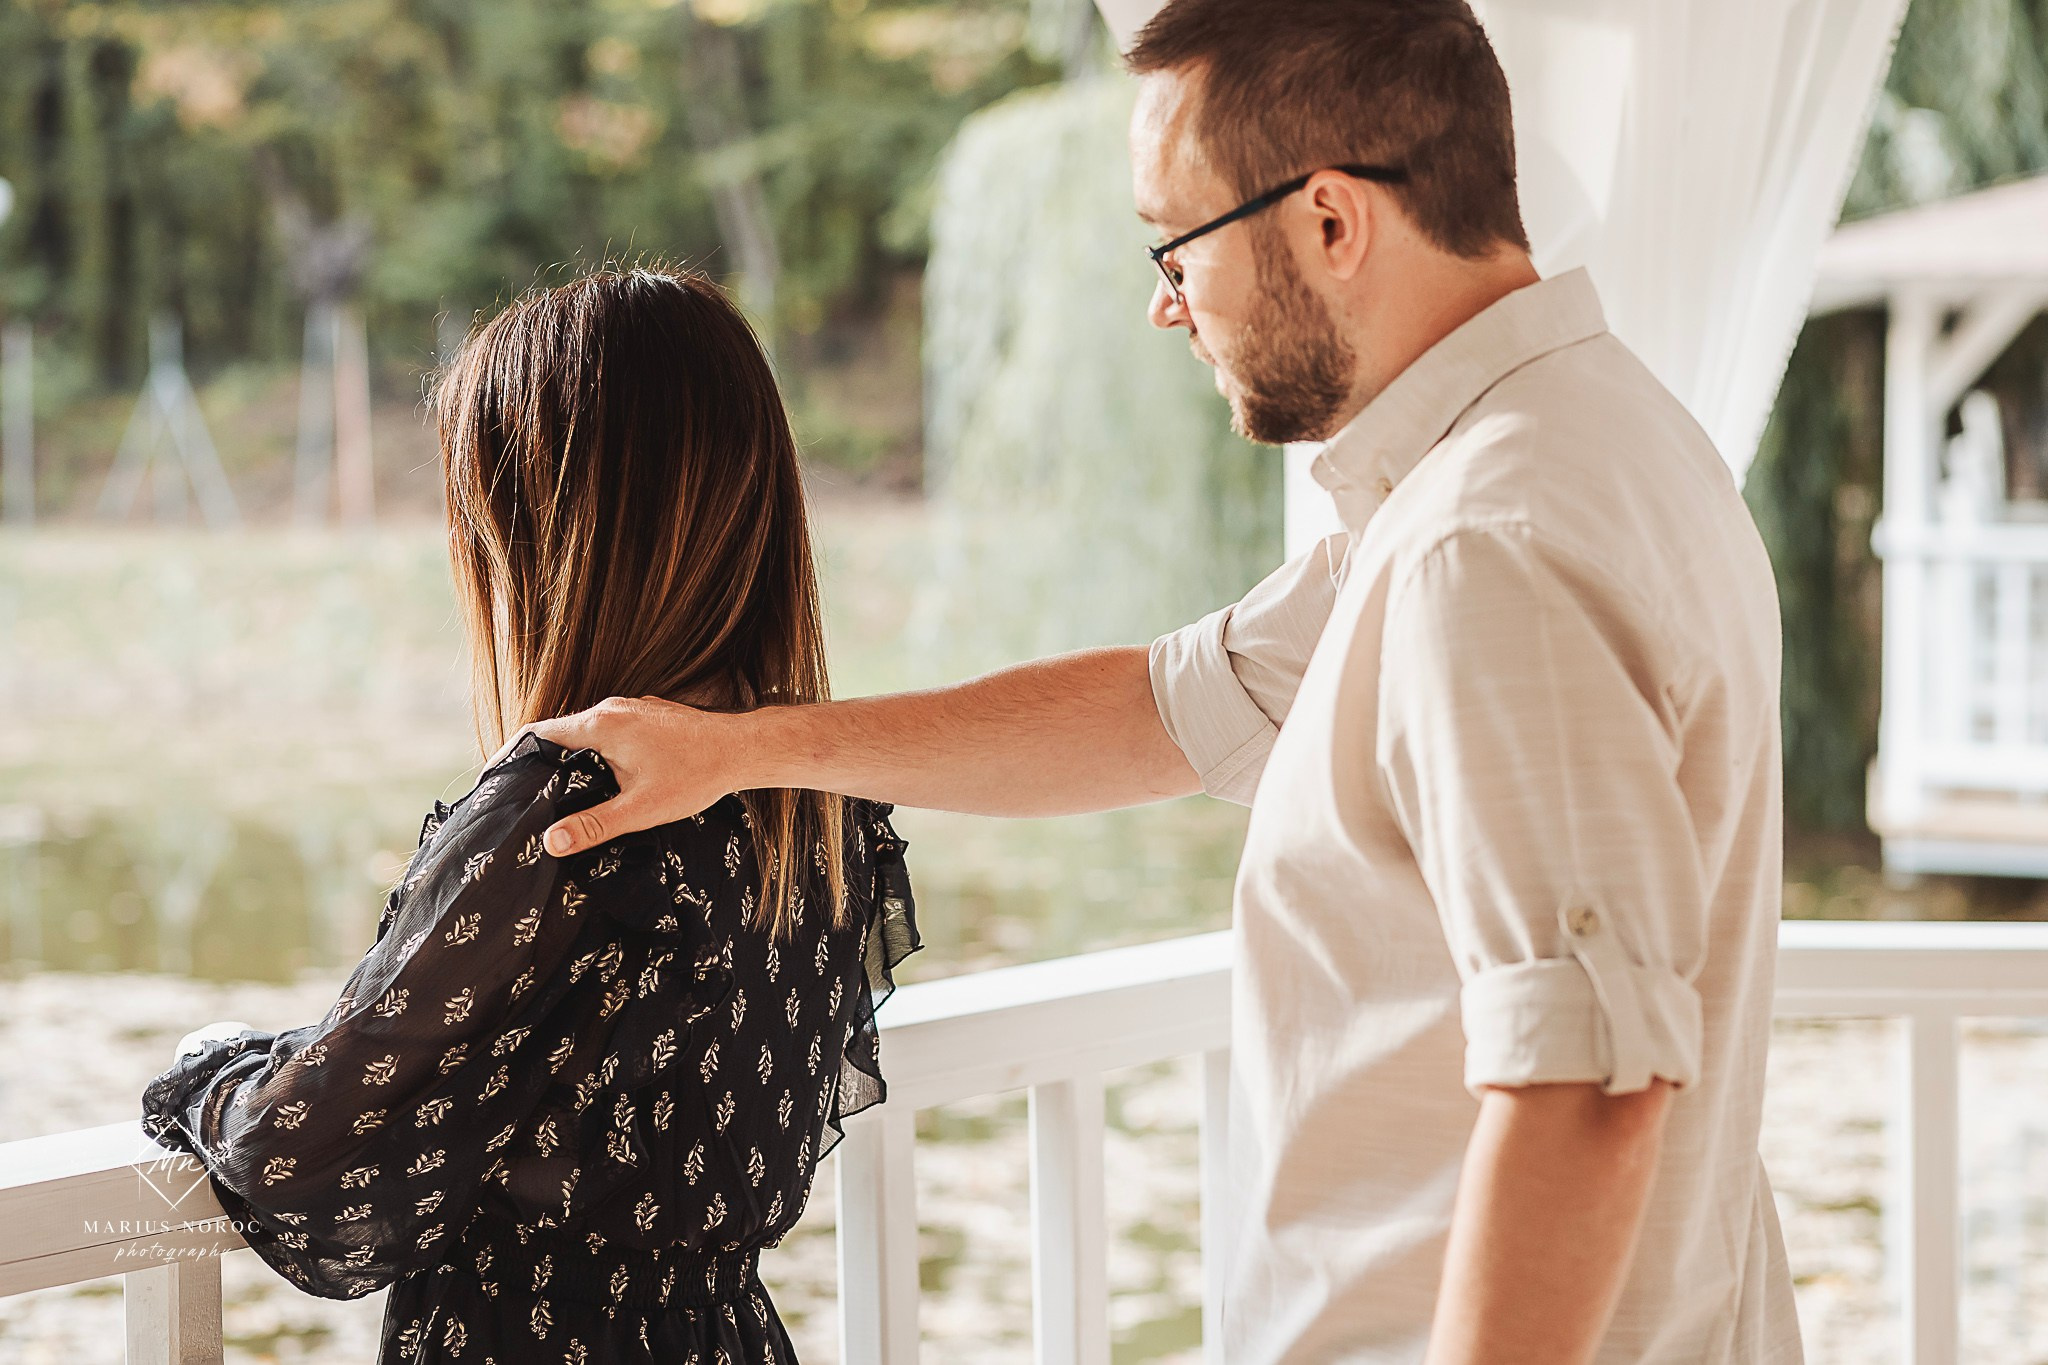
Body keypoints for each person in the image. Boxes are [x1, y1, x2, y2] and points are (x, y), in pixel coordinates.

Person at [531, 1, 1800, 1361]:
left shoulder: (1487, 546)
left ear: (1329, 221)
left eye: (1178, 242)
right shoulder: (1577, 445)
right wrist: (746, 747)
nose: (1164, 301)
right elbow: (1170, 705)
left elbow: (1591, 1079)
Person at [140, 267, 921, 1365]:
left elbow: (298, 1159)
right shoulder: (811, 791)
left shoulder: (573, 804)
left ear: (540, 533)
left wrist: (209, 1074)